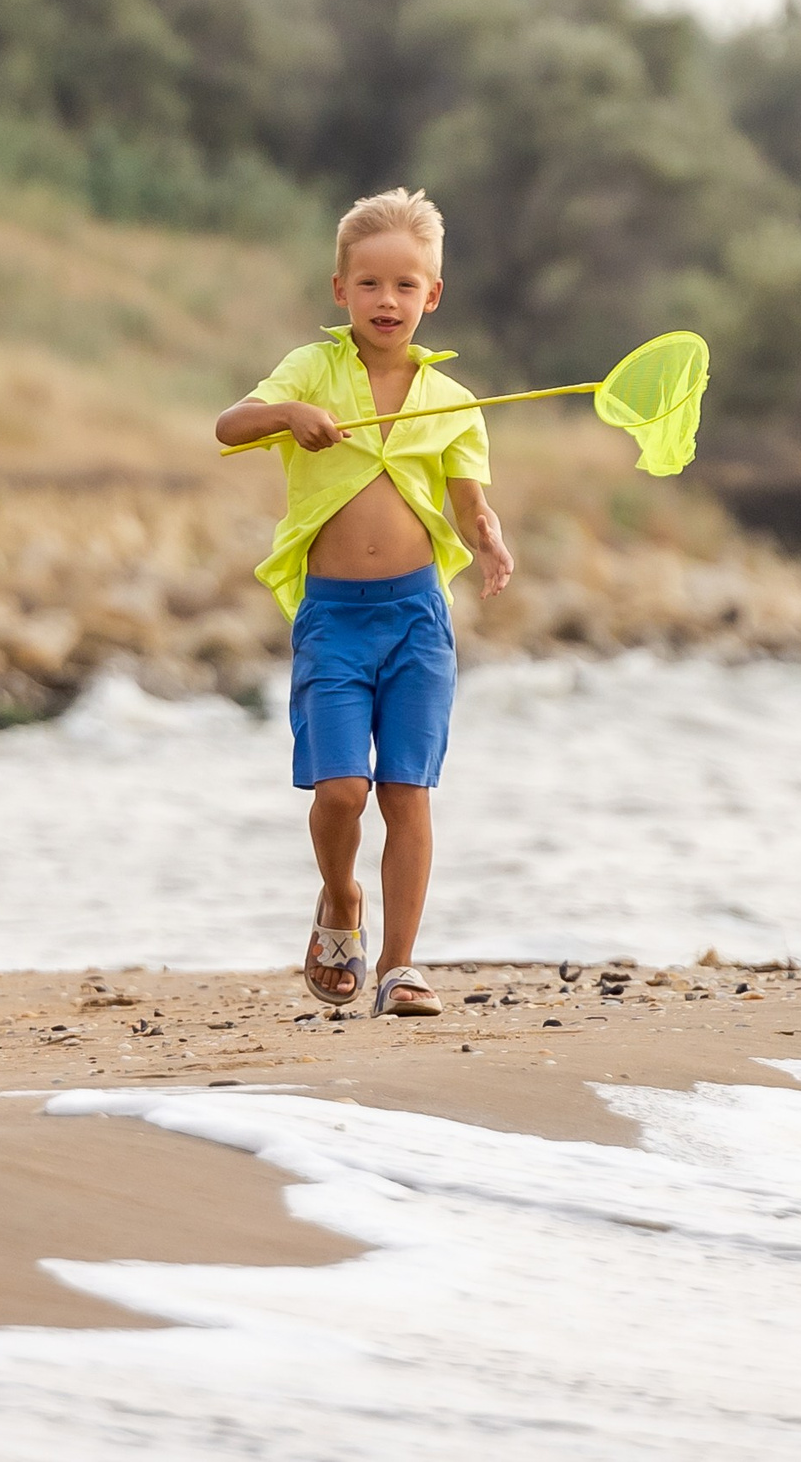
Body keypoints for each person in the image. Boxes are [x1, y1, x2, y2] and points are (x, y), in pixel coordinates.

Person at [215, 188, 514, 1017]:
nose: (389, 300)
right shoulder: (312, 370)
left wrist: (487, 536)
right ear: (340, 290)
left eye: (407, 285)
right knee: (341, 791)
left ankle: (400, 965)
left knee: (406, 791)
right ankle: (340, 898)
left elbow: (468, 501)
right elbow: (229, 425)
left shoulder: (455, 400)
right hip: (335, 616)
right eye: (372, 284)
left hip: (419, 618)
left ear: (433, 296)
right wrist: (288, 412)